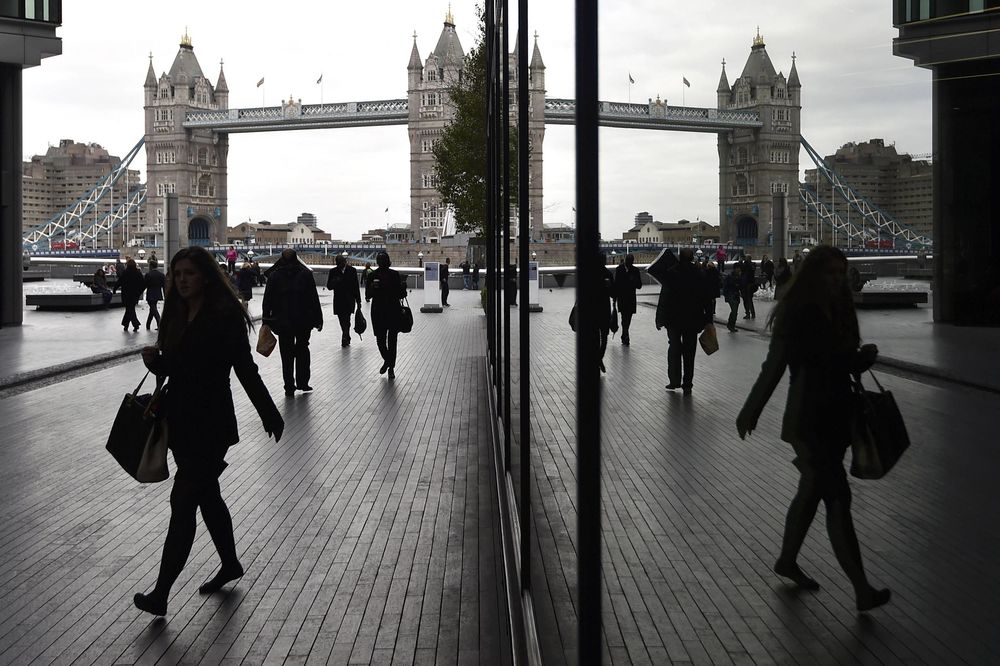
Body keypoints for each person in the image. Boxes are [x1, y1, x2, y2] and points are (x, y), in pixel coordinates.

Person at [736, 245, 889, 613]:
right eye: (829, 273)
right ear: (814, 275)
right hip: (808, 419)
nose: (836, 280)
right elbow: (774, 365)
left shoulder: (840, 308)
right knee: (838, 498)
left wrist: (860, 359)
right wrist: (751, 409)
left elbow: (838, 361)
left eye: (841, 273)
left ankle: (787, 560)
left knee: (811, 493)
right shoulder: (797, 312)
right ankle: (861, 589)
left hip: (836, 416)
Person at [134, 246, 284, 617]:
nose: (182, 280)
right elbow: (176, 367)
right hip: (181, 421)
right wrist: (156, 363)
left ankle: (161, 593)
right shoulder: (175, 311)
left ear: (205, 275)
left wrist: (269, 413)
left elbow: (244, 369)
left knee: (183, 501)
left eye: (188, 273)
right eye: (177, 274)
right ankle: (230, 563)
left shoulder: (225, 314)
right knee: (207, 496)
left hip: (212, 423)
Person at [262, 249, 323, 396]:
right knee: (303, 349)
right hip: (303, 321)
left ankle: (289, 385)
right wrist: (318, 319)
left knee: (286, 354)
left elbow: (267, 299)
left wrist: (266, 320)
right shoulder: (305, 274)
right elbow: (313, 298)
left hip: (282, 322)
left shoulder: (275, 276)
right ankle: (303, 382)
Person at [655, 248, 713, 394]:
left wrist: (659, 318)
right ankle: (687, 384)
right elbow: (707, 299)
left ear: (679, 257)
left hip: (673, 320)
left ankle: (674, 380)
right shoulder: (699, 274)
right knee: (689, 352)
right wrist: (708, 319)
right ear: (692, 258)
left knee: (674, 349)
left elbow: (664, 297)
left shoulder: (671, 273)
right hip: (692, 320)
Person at [366, 251, 407, 379]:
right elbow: (368, 295)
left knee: (386, 340)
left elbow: (401, 294)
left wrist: (402, 287)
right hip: (387, 311)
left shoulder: (391, 275)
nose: (382, 262)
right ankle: (389, 363)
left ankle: (390, 366)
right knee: (385, 341)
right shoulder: (374, 275)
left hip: (385, 311)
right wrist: (372, 287)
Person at [326, 254, 362, 347]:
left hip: (349, 300)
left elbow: (356, 286)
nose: (339, 265)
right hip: (339, 300)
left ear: (345, 262)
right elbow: (329, 286)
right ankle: (346, 334)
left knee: (347, 318)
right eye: (337, 263)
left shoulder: (352, 270)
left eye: (340, 263)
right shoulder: (333, 271)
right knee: (342, 320)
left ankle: (345, 336)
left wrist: (358, 300)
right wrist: (335, 281)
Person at [614, 253, 642, 346]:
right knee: (624, 317)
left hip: (630, 298)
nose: (629, 263)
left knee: (627, 318)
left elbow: (639, 285)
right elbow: (616, 284)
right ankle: (625, 335)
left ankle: (625, 333)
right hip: (622, 298)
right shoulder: (619, 269)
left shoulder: (635, 270)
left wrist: (634, 280)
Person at [116, 258, 145, 333]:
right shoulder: (138, 273)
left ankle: (135, 324)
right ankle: (126, 324)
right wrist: (139, 292)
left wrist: (114, 289)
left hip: (126, 294)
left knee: (129, 309)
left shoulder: (125, 272)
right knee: (130, 309)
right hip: (135, 295)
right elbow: (143, 284)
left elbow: (120, 281)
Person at [144, 258, 166, 330]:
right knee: (153, 308)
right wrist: (165, 295)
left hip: (150, 294)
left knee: (153, 309)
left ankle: (159, 323)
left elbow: (144, 285)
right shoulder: (161, 275)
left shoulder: (148, 274)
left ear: (151, 266)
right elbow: (164, 286)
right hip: (158, 293)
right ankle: (148, 324)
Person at [722, 265, 742, 332]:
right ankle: (731, 325)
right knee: (734, 311)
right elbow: (727, 286)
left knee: (735, 311)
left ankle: (731, 325)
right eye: (738, 269)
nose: (739, 271)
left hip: (735, 295)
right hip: (731, 295)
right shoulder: (730, 277)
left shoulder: (738, 277)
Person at [740, 254, 757, 319]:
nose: (746, 259)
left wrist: (746, 263)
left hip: (750, 284)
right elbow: (741, 269)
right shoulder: (744, 265)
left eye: (747, 258)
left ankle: (752, 313)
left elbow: (751, 270)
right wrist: (741, 262)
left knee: (749, 299)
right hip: (744, 284)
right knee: (745, 300)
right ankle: (747, 313)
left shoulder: (752, 264)